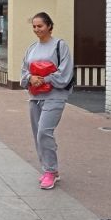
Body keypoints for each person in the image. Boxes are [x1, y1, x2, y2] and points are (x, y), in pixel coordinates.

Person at [20, 12, 74, 190]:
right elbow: (24, 71)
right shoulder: (31, 48)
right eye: (34, 26)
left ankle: (50, 171)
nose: (36, 29)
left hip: (55, 96)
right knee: (38, 134)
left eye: (40, 26)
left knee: (44, 131)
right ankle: (49, 168)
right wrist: (30, 78)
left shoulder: (60, 46)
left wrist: (44, 79)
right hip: (35, 97)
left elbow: (65, 73)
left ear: (49, 26)